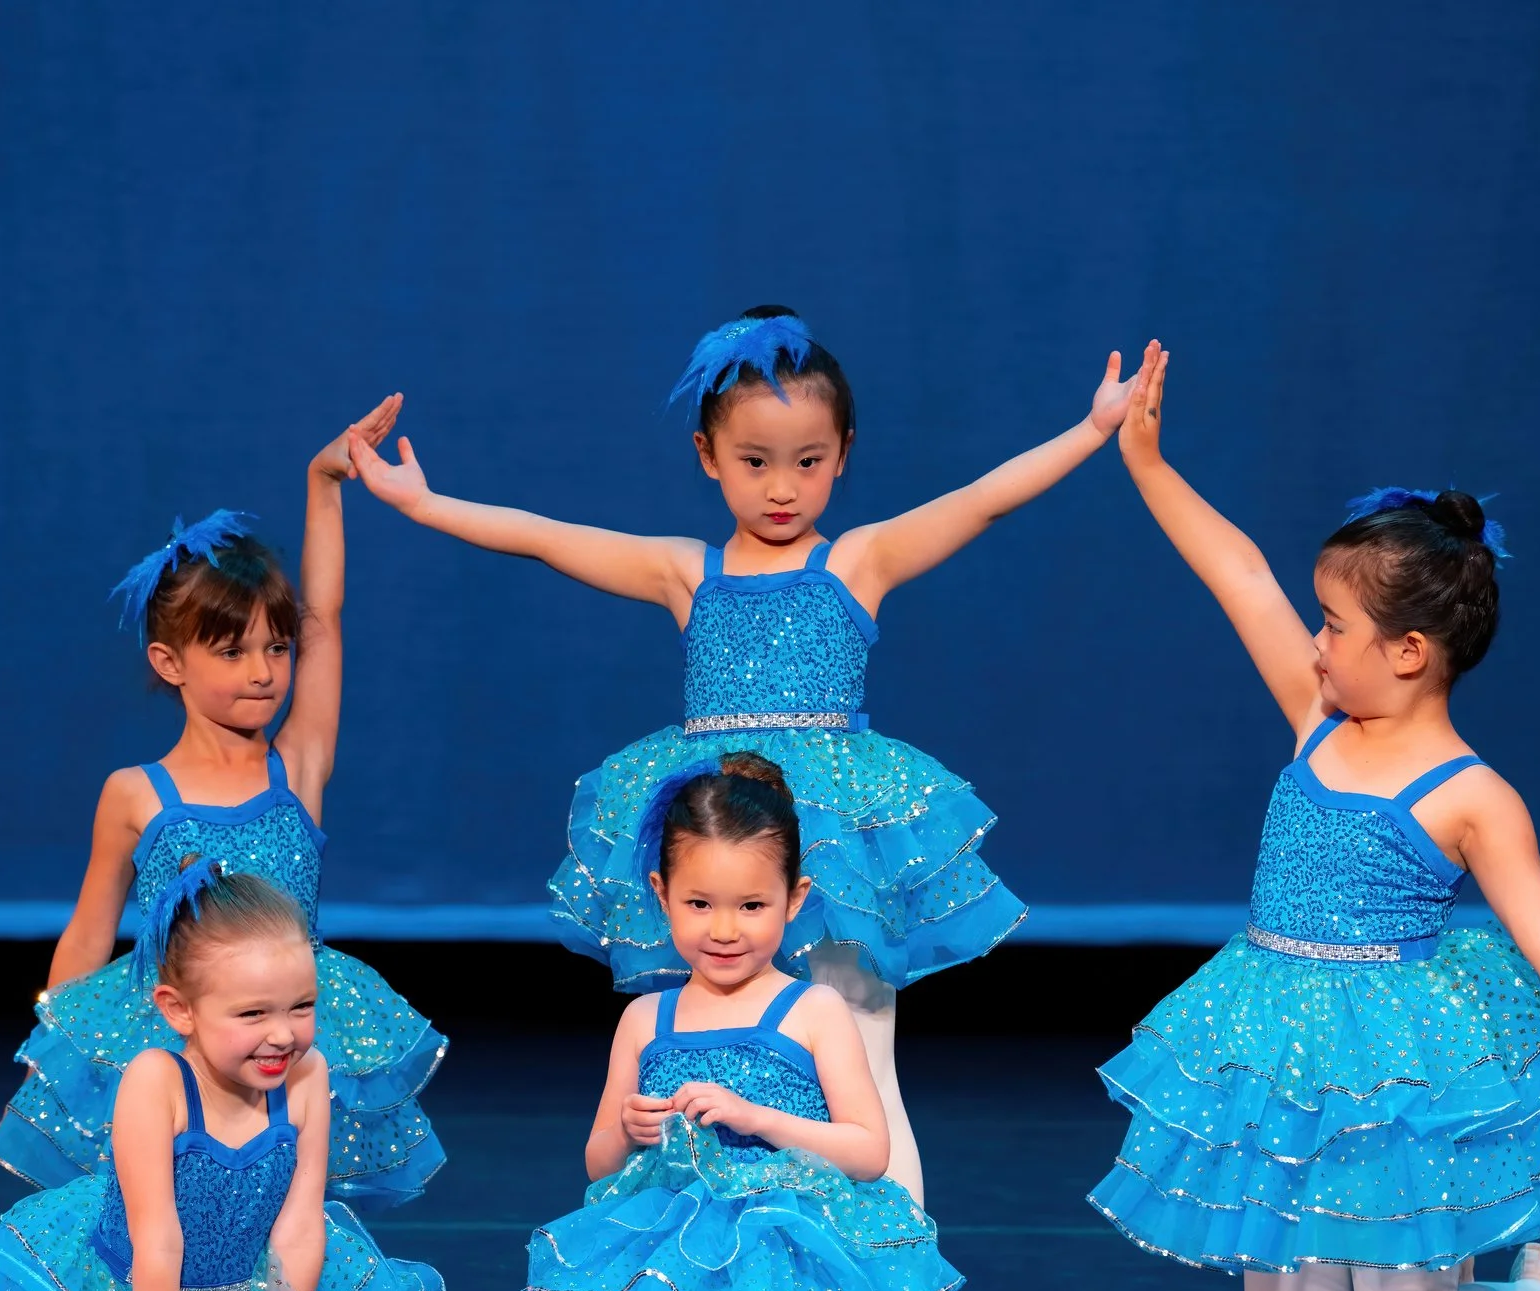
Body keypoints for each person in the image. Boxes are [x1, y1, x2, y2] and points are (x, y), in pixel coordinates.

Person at [356, 307, 1143, 1205]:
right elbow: (545, 536)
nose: (783, 487)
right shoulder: (685, 572)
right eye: (755, 462)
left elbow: (984, 498)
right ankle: (746, 1270)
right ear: (707, 455)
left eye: (808, 462)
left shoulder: (858, 560)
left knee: (861, 1067)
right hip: (721, 836)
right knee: (718, 1065)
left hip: (833, 845)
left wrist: (1090, 429)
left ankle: (897, 1281)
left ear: (843, 451)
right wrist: (423, 504)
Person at [1089, 345, 1540, 1291]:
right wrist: (1149, 462)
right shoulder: (1313, 713)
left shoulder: (1471, 795)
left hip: (1400, 1064)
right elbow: (1237, 572)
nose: (1314, 642)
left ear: (1408, 651)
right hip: (1285, 1037)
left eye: (1334, 625)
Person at [0, 401, 446, 1204]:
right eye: (232, 651)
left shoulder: (296, 768)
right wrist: (47, 1060)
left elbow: (326, 621)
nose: (264, 671)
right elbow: (89, 934)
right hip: (171, 1039)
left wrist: (323, 482)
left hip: (281, 1036)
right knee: (162, 1215)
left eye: (274, 648)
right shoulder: (135, 794)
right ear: (170, 662)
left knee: (281, 1210)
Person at [481, 753, 998, 1291]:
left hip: (778, 1244)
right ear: (661, 893)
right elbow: (598, 1162)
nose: (725, 929)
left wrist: (757, 1117)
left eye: (752, 905)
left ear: (796, 898)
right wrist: (631, 1130)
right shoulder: (644, 1019)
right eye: (699, 904)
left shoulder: (812, 1010)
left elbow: (868, 1149)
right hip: (665, 1241)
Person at [0, 864, 452, 1291]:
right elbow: (158, 1240)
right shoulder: (156, 1080)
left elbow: (299, 1226)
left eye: (301, 1007)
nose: (283, 1034)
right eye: (253, 1013)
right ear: (179, 1010)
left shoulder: (307, 1075)